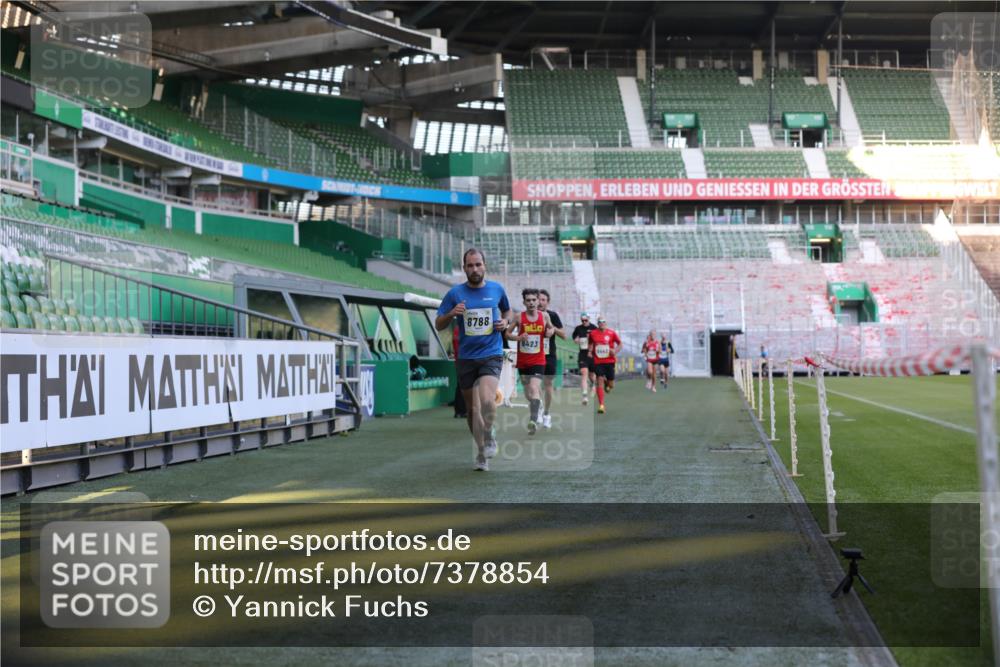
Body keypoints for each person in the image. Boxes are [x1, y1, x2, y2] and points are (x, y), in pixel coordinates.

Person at [435, 248, 512, 472]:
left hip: (491, 353)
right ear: (464, 268)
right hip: (466, 357)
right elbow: (439, 324)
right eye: (470, 265)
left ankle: (489, 435)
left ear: (485, 265)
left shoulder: (497, 289)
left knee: (488, 400)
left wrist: (505, 324)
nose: (475, 269)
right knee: (471, 410)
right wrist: (451, 314)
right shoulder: (455, 294)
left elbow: (508, 312)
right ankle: (481, 452)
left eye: (478, 264)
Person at [506, 289, 554, 436]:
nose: (532, 303)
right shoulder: (519, 317)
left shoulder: (544, 316)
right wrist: (519, 338)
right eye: (529, 300)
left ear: (538, 301)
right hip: (523, 360)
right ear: (524, 302)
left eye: (534, 300)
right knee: (528, 393)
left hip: (538, 359)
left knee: (534, 387)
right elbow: (507, 333)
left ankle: (533, 420)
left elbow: (551, 328)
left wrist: (549, 332)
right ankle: (537, 406)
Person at [537, 289, 565, 428]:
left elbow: (564, 335)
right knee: (533, 384)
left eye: (543, 300)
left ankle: (547, 413)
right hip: (533, 354)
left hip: (549, 355)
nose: (540, 302)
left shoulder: (553, 315)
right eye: (538, 299)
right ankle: (537, 408)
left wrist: (553, 329)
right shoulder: (528, 316)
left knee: (547, 384)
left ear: (547, 302)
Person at [588, 316, 622, 414]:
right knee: (599, 380)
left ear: (606, 323)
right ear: (597, 323)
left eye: (603, 321)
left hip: (610, 361)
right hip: (598, 361)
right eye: (600, 322)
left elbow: (620, 344)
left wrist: (615, 351)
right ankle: (601, 405)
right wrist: (590, 351)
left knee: (611, 385)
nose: (602, 323)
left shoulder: (611, 333)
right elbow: (590, 342)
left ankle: (608, 384)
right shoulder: (593, 333)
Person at [571, 313, 597, 405]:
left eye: (586, 320)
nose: (584, 322)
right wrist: (576, 340)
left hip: (592, 354)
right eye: (582, 320)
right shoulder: (578, 328)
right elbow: (574, 336)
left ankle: (594, 384)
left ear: (589, 319)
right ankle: (584, 396)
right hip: (582, 354)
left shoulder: (594, 327)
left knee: (591, 375)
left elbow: (598, 339)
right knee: (584, 373)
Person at [451, 322, 466, 419]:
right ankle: (462, 410)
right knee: (463, 386)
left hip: (459, 360)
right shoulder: (460, 330)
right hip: (463, 360)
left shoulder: (457, 330)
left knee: (460, 386)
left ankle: (459, 411)